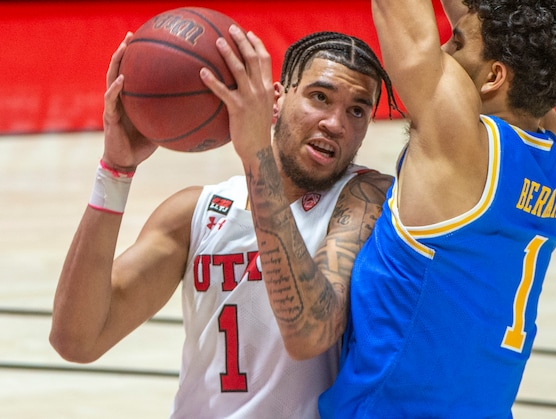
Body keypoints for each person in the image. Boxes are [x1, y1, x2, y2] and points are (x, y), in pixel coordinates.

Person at [249, 0, 556, 417]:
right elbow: (493, 29)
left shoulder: (457, 140)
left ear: (493, 76)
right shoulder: (551, 151)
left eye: (456, 42)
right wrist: (475, 29)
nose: (445, 48)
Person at [49, 26, 398, 418]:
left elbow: (309, 334)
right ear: (277, 99)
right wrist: (115, 171)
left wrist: (256, 158)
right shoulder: (194, 211)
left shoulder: (366, 198)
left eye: (357, 110)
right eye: (320, 97)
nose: (336, 124)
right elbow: (76, 341)